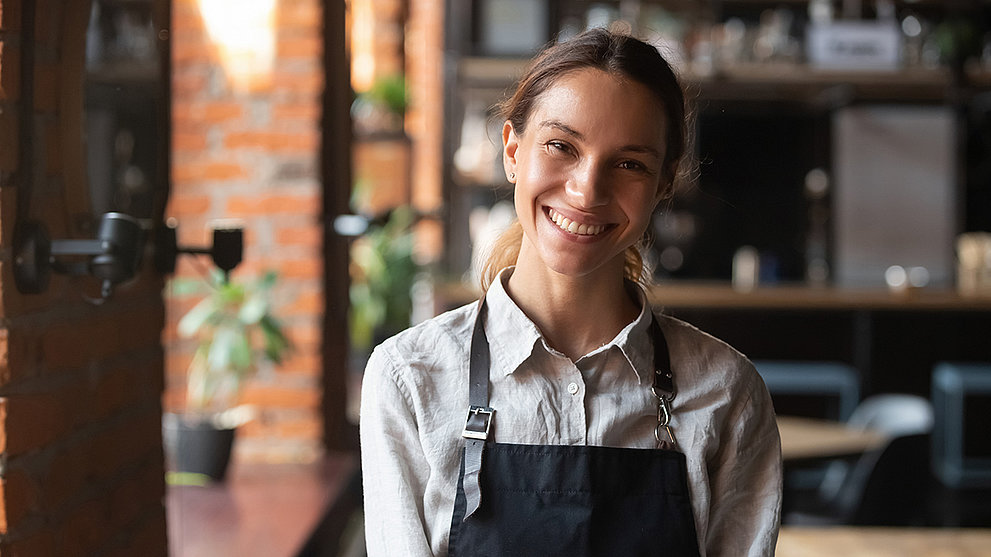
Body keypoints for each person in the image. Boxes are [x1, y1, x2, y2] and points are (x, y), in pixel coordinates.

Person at [360, 28, 781, 557]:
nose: (587, 191)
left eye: (629, 164)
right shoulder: (410, 378)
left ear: (665, 182)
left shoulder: (727, 393)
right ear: (513, 151)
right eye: (562, 146)